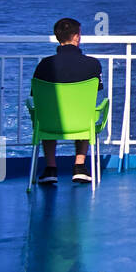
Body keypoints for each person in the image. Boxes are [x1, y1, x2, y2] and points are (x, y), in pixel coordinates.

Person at [33, 18, 104, 185]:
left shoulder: (44, 65)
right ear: (76, 36)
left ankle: (50, 168)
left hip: (50, 123)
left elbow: (35, 95)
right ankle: (79, 167)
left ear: (58, 37)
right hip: (81, 123)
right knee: (87, 112)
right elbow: (97, 91)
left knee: (46, 111)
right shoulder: (93, 64)